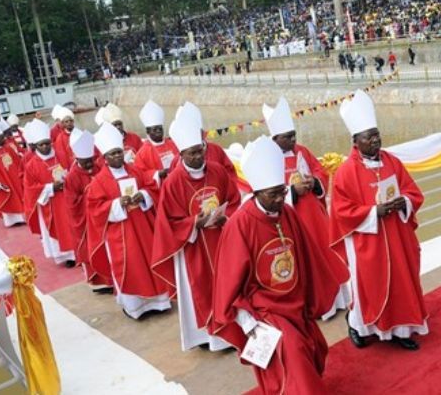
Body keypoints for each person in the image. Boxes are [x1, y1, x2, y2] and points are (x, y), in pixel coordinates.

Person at [210, 136, 349, 394]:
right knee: (292, 352)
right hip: (264, 306)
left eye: (282, 192)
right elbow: (230, 279)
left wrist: (312, 292)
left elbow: (306, 256)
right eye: (273, 194)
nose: (279, 199)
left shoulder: (287, 213)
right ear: (257, 192)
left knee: (314, 347)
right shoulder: (241, 224)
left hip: (293, 298)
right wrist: (245, 319)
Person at [330, 90, 427, 350]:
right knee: (368, 286)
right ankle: (358, 325)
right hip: (367, 240)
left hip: (397, 234)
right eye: (369, 137)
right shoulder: (345, 172)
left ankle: (401, 329)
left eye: (377, 134)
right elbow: (341, 211)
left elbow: (413, 192)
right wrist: (374, 212)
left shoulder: (392, 161)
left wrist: (403, 202)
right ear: (355, 140)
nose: (375, 140)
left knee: (401, 282)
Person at [152, 117, 240, 351]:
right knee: (200, 289)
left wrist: (226, 216)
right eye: (191, 153)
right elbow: (167, 221)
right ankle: (207, 338)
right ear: (181, 154)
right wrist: (193, 223)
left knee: (230, 282)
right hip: (193, 246)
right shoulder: (173, 182)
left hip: (221, 238)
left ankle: (234, 328)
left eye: (200, 151)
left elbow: (234, 199)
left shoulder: (218, 171)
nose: (198, 157)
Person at [263, 97, 351, 319]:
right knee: (304, 262)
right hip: (291, 218)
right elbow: (265, 189)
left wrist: (314, 182)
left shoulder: (302, 150)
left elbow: (319, 169)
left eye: (293, 135)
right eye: (287, 137)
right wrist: (292, 192)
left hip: (314, 216)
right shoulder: (268, 157)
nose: (292, 140)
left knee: (326, 255)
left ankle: (337, 301)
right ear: (275, 138)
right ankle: (315, 305)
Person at [87, 122, 171, 320]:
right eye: (112, 154)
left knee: (150, 261)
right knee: (130, 266)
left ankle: (160, 302)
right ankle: (135, 307)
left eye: (119, 152)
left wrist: (143, 195)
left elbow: (151, 187)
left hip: (143, 226)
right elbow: (95, 209)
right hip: (121, 233)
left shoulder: (134, 171)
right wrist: (116, 204)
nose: (117, 157)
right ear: (105, 158)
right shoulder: (99, 181)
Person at [22, 119, 76, 266]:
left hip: (67, 196)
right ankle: (66, 256)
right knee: (59, 229)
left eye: (47, 143)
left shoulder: (60, 155)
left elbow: (72, 169)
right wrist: (51, 187)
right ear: (36, 146)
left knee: (73, 224)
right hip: (50, 203)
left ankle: (78, 251)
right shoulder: (31, 165)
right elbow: (30, 189)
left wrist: (67, 179)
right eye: (41, 144)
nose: (45, 146)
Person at [64, 129, 112, 293]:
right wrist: (89, 195)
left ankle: (111, 278)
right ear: (77, 159)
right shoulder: (72, 176)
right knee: (90, 247)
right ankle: (98, 281)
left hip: (102, 215)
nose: (90, 164)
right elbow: (71, 203)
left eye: (91, 160)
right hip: (85, 219)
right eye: (85, 162)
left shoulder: (100, 167)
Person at [134, 100, 178, 187]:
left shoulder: (173, 144)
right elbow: (140, 175)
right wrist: (157, 173)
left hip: (177, 182)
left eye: (160, 128)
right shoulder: (142, 153)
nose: (158, 131)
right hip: (160, 188)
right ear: (148, 131)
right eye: (155, 129)